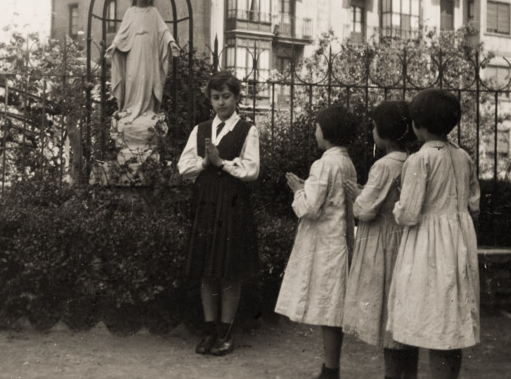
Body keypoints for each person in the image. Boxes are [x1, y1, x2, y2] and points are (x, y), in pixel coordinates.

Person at [388, 89, 479, 379]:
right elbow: (474, 205)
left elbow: (410, 212)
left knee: (432, 316)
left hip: (428, 247)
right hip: (459, 244)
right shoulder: (463, 156)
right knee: (450, 318)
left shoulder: (419, 160)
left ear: (417, 124)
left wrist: (398, 206)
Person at [177, 71, 260, 356]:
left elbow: (251, 169)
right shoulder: (201, 129)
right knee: (206, 271)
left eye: (226, 96)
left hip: (232, 204)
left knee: (229, 271)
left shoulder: (247, 129)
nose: (221, 102)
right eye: (216, 97)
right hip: (206, 203)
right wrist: (204, 162)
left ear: (237, 98)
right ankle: (209, 330)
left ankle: (225, 333)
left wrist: (221, 163)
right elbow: (184, 166)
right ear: (209, 100)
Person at [275, 104, 359, 379]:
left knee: (328, 309)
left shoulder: (323, 163)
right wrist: (306, 187)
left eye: (317, 127)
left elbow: (310, 208)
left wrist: (299, 191)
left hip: (325, 246)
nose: (315, 131)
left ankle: (330, 369)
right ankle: (330, 366)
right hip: (339, 243)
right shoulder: (346, 162)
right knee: (332, 309)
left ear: (327, 132)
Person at [343, 101, 419, 379]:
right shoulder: (411, 161)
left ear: (384, 132)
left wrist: (357, 196)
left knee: (388, 313)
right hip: (405, 243)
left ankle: (391, 375)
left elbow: (364, 210)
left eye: (374, 126)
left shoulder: (383, 166)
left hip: (383, 244)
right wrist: (367, 193)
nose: (372, 131)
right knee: (405, 313)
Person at [105, 0, 179, 123]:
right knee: (132, 78)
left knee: (147, 78)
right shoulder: (130, 12)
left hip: (149, 52)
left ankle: (147, 110)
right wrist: (113, 46)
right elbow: (121, 34)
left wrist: (171, 43)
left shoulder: (153, 12)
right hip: (134, 50)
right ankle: (131, 108)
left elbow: (163, 30)